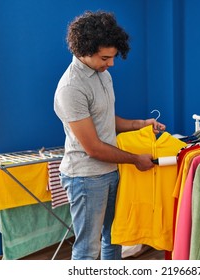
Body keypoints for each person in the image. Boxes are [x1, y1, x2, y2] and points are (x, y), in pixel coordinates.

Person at [53, 10, 166, 260]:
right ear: (84, 49)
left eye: (113, 57)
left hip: (110, 171)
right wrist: (136, 159)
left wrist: (140, 124)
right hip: (85, 177)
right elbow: (93, 147)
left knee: (114, 237)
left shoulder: (103, 75)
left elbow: (103, 118)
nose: (111, 64)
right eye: (105, 57)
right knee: (87, 249)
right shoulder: (71, 88)